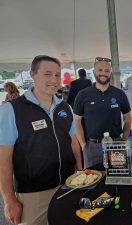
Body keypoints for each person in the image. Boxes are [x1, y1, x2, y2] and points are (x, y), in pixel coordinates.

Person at [0, 55, 82, 225]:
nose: (54, 80)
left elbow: (73, 142)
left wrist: (80, 172)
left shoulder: (64, 107)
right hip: (34, 195)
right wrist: (9, 199)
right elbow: (3, 159)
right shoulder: (12, 110)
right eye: (47, 74)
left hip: (68, 185)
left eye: (57, 75)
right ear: (32, 74)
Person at [73, 57, 131, 168]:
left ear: (110, 73)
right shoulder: (83, 94)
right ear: (94, 72)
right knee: (93, 181)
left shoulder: (119, 94)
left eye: (106, 71)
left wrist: (123, 139)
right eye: (100, 70)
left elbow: (127, 118)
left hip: (116, 145)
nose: (103, 73)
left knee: (118, 178)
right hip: (92, 147)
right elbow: (76, 121)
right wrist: (84, 145)